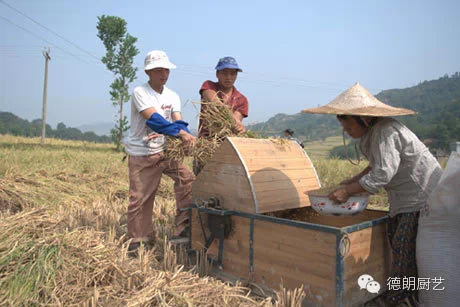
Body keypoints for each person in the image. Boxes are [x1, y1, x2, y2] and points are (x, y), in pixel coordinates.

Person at [303, 82, 442, 307]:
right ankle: (403, 294)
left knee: (404, 247)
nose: (348, 133)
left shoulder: (385, 131)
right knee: (396, 241)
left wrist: (347, 191)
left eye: (349, 129)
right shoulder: (375, 132)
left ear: (364, 119)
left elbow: (383, 173)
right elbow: (375, 166)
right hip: (404, 199)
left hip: (420, 197)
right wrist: (352, 180)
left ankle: (400, 299)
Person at [124, 50, 196, 253]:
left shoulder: (172, 95)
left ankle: (183, 228)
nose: (163, 74)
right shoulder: (140, 92)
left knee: (187, 179)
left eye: (166, 70)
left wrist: (186, 134)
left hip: (165, 152)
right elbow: (154, 120)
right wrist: (180, 133)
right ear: (148, 72)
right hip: (142, 153)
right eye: (158, 70)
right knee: (141, 198)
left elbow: (177, 120)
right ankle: (138, 241)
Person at [193, 56, 249, 175]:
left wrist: (239, 127)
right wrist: (233, 121)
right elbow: (216, 105)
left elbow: (236, 120)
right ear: (217, 74)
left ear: (236, 75)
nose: (228, 77)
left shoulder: (242, 100)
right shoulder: (209, 86)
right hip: (206, 146)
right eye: (224, 73)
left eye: (232, 74)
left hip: (227, 150)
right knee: (201, 185)